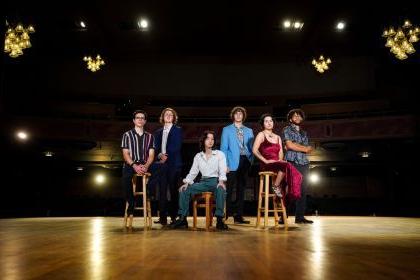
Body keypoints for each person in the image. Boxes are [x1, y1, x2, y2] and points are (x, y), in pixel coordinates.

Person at [171, 130, 229, 230]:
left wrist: (221, 181)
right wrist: (187, 183)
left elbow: (222, 169)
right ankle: (182, 219)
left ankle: (219, 220)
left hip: (215, 181)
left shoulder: (219, 154)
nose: (210, 141)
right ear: (203, 141)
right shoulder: (198, 156)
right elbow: (193, 172)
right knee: (184, 190)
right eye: (208, 138)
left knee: (221, 190)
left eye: (212, 139)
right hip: (203, 182)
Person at [252, 113, 302, 222]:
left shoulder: (278, 137)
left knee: (291, 177)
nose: (269, 123)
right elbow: (254, 150)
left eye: (271, 121)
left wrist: (280, 160)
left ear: (273, 123)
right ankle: (275, 186)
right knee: (286, 166)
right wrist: (265, 160)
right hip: (266, 163)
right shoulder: (261, 134)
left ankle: (282, 199)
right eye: (266, 121)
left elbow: (280, 155)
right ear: (263, 124)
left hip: (278, 165)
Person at [121, 110, 155, 228]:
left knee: (158, 173)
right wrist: (134, 166)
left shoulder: (150, 136)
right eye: (137, 117)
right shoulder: (127, 135)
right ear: (134, 120)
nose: (140, 119)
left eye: (142, 118)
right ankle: (131, 202)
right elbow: (126, 154)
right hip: (131, 164)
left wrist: (145, 166)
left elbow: (151, 155)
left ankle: (149, 196)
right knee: (125, 178)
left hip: (145, 164)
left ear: (145, 121)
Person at [149, 108, 183, 225]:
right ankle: (162, 217)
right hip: (161, 164)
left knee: (173, 191)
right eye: (166, 114)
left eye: (171, 115)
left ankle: (174, 217)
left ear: (174, 118)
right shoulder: (157, 132)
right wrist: (159, 155)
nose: (168, 116)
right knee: (162, 191)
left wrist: (166, 156)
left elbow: (176, 146)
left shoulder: (177, 130)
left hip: (173, 164)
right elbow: (156, 148)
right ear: (163, 117)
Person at [221, 106, 254, 224]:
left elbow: (252, 147)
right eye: (236, 113)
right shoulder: (227, 129)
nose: (239, 115)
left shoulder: (249, 130)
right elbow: (223, 148)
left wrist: (251, 159)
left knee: (241, 189)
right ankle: (224, 214)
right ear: (233, 116)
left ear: (243, 116)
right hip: (232, 162)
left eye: (241, 113)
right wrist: (225, 164)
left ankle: (238, 215)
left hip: (245, 160)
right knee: (229, 188)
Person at [283, 109, 314, 224]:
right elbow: (290, 145)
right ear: (290, 119)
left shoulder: (304, 133)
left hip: (304, 162)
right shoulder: (287, 129)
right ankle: (283, 215)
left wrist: (300, 147)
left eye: (299, 116)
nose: (297, 117)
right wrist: (303, 148)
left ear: (301, 118)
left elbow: (309, 148)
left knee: (303, 189)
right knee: (291, 189)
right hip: (292, 161)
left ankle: (299, 217)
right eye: (294, 116)